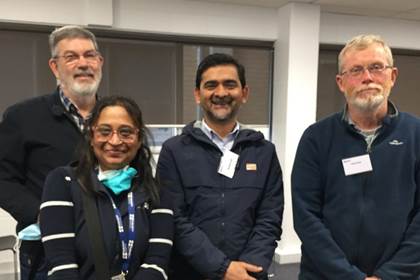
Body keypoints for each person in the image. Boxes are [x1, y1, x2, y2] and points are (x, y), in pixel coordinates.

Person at [292, 34, 420, 279]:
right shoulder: (316, 138)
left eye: (376, 68)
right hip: (325, 275)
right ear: (341, 82)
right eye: (356, 70)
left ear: (392, 76)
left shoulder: (416, 135)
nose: (367, 78)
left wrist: (389, 275)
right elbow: (306, 217)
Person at [157, 53, 284, 280]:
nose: (221, 93)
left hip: (249, 275)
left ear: (244, 93)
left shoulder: (264, 151)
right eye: (211, 85)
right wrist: (222, 268)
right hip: (191, 273)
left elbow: (270, 217)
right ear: (198, 94)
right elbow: (174, 218)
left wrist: (247, 269)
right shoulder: (173, 151)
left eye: (230, 84)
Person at [0, 25, 103, 279]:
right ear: (55, 67)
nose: (83, 63)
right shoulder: (22, 117)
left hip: (107, 247)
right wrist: (44, 214)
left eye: (89, 55)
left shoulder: (116, 118)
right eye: (71, 57)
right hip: (46, 252)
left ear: (100, 62)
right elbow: (2, 178)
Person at [39, 95, 174, 279]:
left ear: (139, 138)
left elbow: (157, 263)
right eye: (105, 131)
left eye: (126, 132)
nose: (115, 141)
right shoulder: (63, 182)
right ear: (91, 136)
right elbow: (62, 266)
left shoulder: (156, 190)